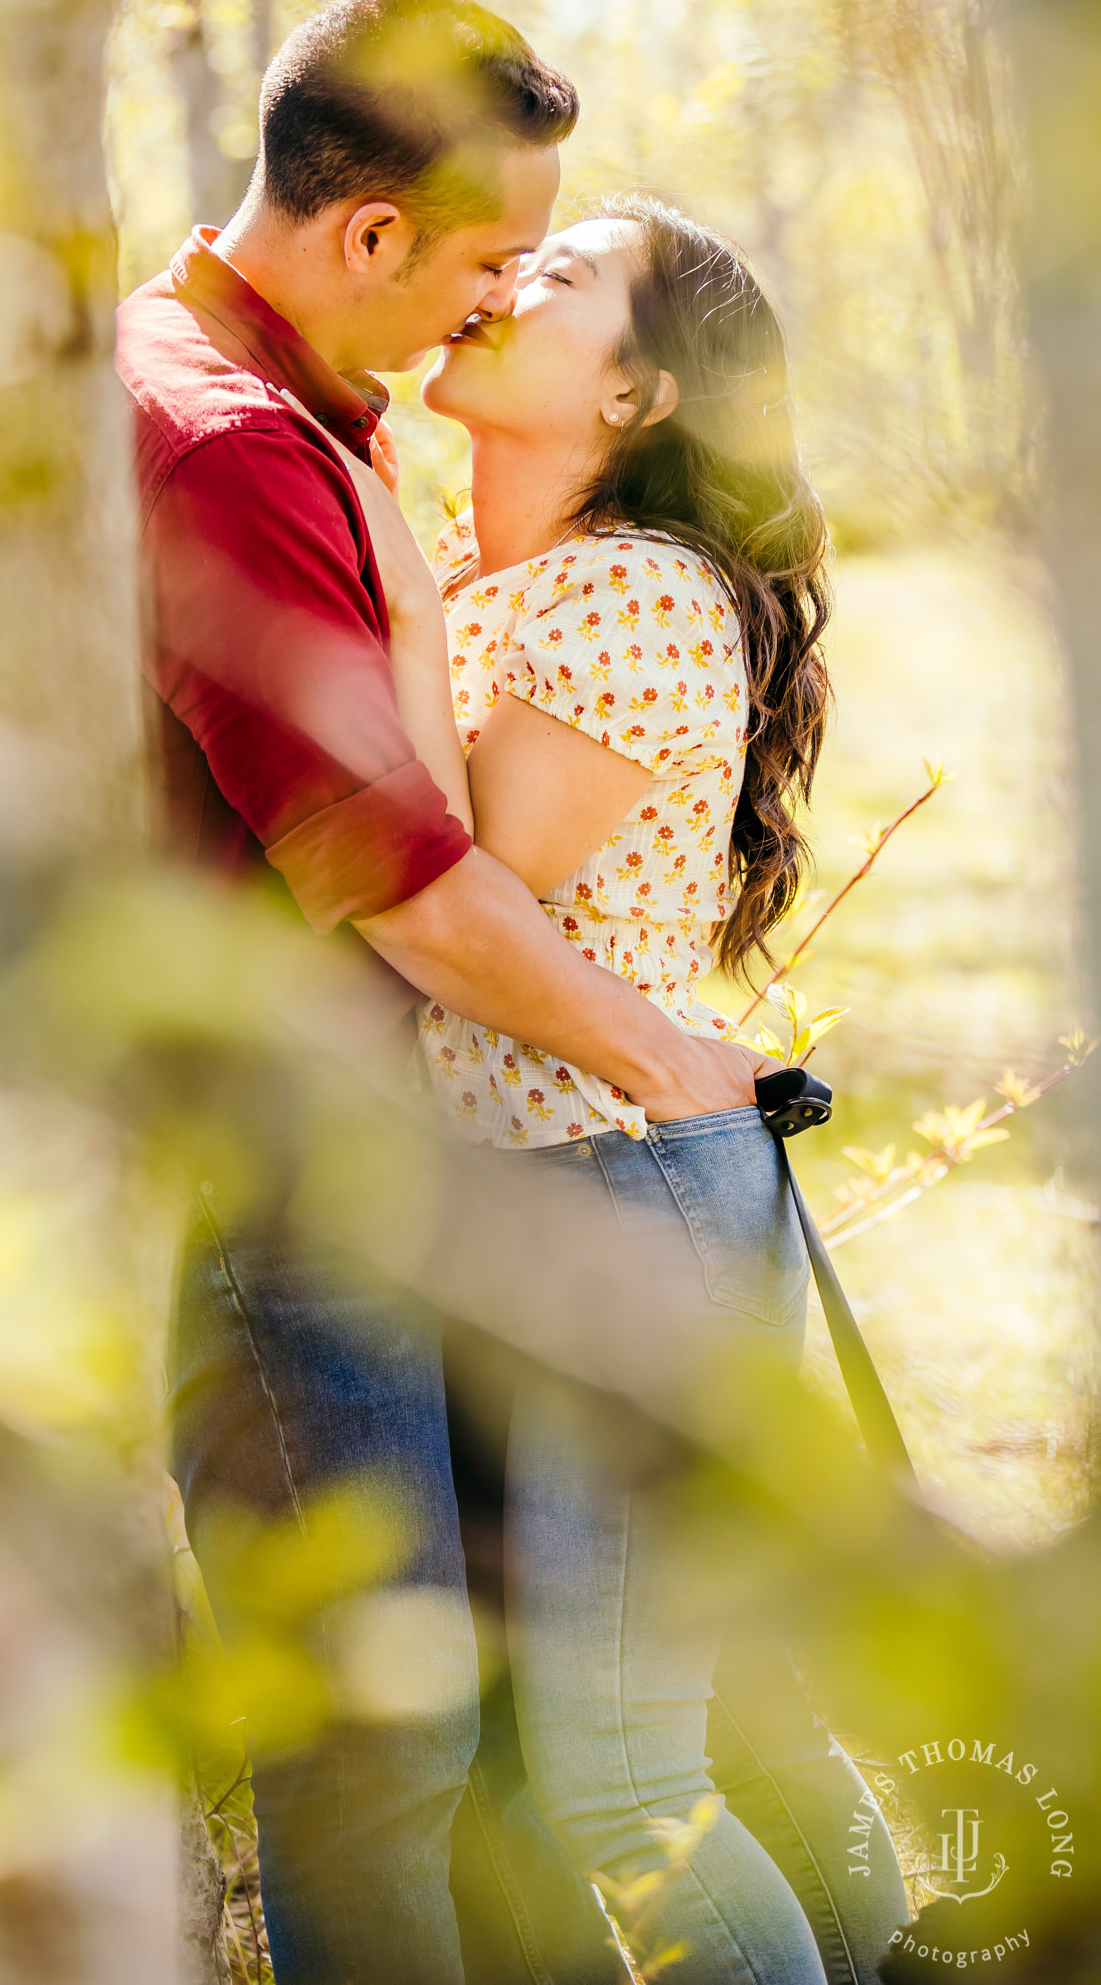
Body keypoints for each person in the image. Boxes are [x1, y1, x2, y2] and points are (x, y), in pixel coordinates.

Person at [116, 0, 769, 1984]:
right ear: (377, 234)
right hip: (280, 1163)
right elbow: (400, 874)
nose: (490, 302)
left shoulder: (310, 420)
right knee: (380, 1743)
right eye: (493, 258)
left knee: (521, 1735)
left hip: (401, 1164)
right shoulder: (222, 441)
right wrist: (663, 1053)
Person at [362, 196, 910, 1983]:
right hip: (576, 1194)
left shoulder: (631, 592)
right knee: (725, 1724)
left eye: (567, 277)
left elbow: (462, 882)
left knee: (616, 1773)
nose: (510, 283)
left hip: (622, 1199)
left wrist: (369, 558)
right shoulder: (522, 578)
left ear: (638, 396)